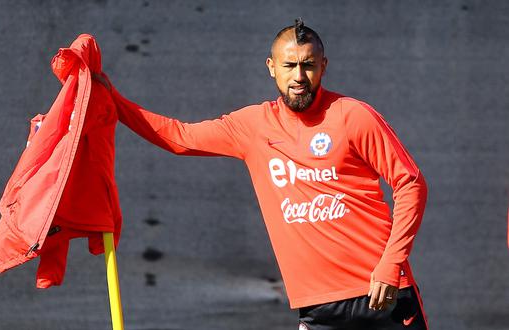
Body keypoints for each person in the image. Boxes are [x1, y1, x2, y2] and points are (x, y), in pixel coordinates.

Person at [106, 18, 429, 330]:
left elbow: (410, 182)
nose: (299, 76)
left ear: (323, 66)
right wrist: (112, 101)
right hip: (319, 305)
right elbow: (179, 137)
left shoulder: (352, 115)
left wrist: (392, 263)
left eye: (309, 65)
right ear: (272, 67)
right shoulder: (253, 125)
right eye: (289, 66)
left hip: (383, 293)